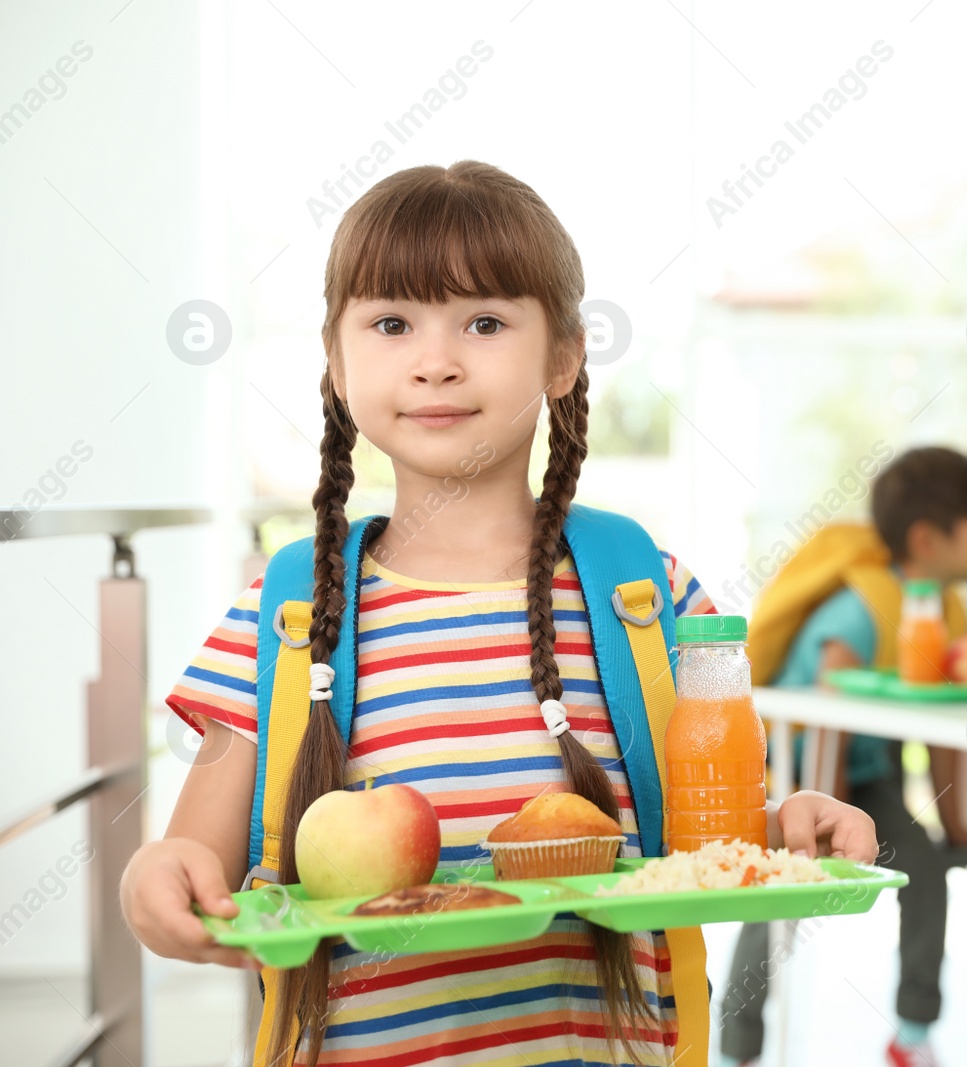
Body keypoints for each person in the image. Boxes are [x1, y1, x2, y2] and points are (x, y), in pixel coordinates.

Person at [118, 160, 876, 1067]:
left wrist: (791, 823)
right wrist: (152, 881)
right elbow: (187, 860)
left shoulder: (648, 593)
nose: (436, 360)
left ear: (563, 355)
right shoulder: (285, 615)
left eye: (484, 322)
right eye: (392, 323)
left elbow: (718, 836)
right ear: (336, 358)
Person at [720, 446, 967, 1067]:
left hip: (872, 782)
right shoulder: (863, 605)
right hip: (803, 781)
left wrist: (954, 825)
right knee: (780, 891)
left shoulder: (945, 611)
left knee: (925, 867)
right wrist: (827, 811)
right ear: (929, 540)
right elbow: (832, 704)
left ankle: (914, 1033)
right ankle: (738, 1046)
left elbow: (939, 723)